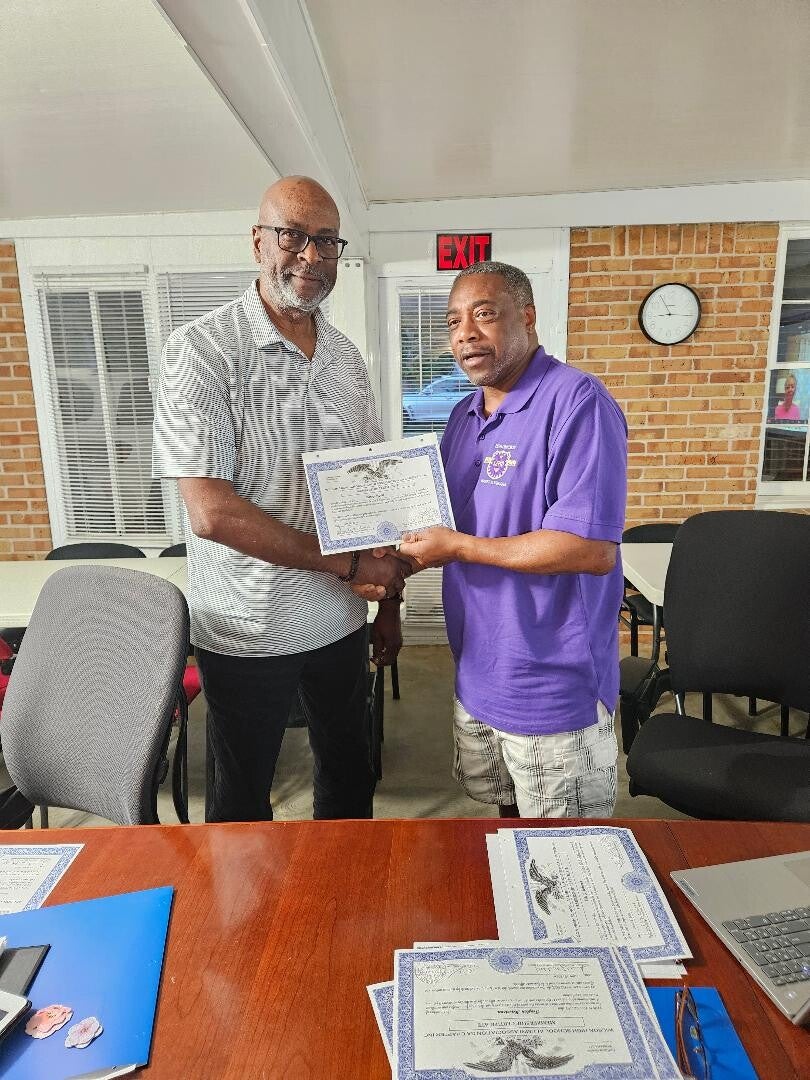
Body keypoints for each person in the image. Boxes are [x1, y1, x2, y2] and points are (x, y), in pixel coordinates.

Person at [152, 175, 409, 823]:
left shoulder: (346, 357)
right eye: (293, 235)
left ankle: (340, 889)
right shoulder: (202, 350)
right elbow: (210, 512)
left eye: (327, 241)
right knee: (242, 806)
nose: (312, 256)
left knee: (349, 781)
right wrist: (348, 565)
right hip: (247, 629)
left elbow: (369, 487)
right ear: (258, 241)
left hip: (340, 619)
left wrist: (388, 603)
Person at [397, 261, 628, 818]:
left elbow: (590, 549)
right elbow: (441, 522)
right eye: (453, 322)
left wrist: (457, 548)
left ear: (526, 317)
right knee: (503, 820)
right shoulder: (462, 416)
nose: (465, 334)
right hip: (477, 671)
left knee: (564, 849)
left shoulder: (577, 402)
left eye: (484, 314)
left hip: (552, 684)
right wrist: (385, 561)